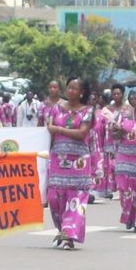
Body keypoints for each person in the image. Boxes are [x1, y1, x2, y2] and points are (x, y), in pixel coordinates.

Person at [47, 77, 94, 250]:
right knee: (54, 198)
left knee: (75, 199)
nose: (71, 91)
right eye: (69, 87)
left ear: (82, 92)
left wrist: (58, 130)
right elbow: (48, 130)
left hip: (79, 161)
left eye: (75, 88)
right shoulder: (56, 108)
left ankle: (69, 236)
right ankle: (62, 230)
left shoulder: (87, 111)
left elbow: (82, 133)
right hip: (58, 158)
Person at [115, 90, 136, 233]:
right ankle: (129, 216)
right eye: (135, 99)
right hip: (125, 156)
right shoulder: (124, 114)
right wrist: (117, 129)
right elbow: (114, 134)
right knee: (125, 189)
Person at [100, 83, 126, 199]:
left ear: (122, 94)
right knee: (109, 165)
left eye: (118, 93)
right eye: (114, 94)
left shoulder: (128, 109)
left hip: (122, 141)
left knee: (120, 165)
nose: (116, 96)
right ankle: (109, 189)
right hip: (109, 140)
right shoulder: (106, 110)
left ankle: (122, 188)